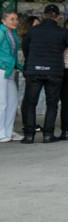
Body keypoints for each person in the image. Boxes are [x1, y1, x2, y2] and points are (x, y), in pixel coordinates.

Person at [20, 4, 68, 144]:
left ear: (43, 15)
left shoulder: (33, 31)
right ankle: (48, 135)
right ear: (57, 17)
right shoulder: (62, 32)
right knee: (52, 104)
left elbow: (25, 47)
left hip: (34, 70)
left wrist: (31, 63)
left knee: (30, 103)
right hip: (54, 72)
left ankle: (29, 135)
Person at [0, 11, 23, 143]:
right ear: (4, 20)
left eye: (16, 19)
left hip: (9, 71)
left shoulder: (12, 33)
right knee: (1, 103)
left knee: (13, 102)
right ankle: (1, 133)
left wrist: (19, 67)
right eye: (12, 19)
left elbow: (13, 54)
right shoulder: (1, 32)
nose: (15, 22)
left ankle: (8, 131)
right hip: (2, 70)